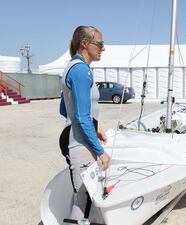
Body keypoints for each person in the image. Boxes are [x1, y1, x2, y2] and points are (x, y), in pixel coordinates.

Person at [59, 25, 110, 221]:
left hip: (73, 135)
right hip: (77, 141)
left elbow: (65, 109)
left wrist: (94, 129)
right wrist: (100, 151)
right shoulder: (81, 71)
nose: (103, 48)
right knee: (84, 198)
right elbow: (80, 117)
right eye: (100, 43)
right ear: (85, 43)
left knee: (83, 195)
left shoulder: (72, 67)